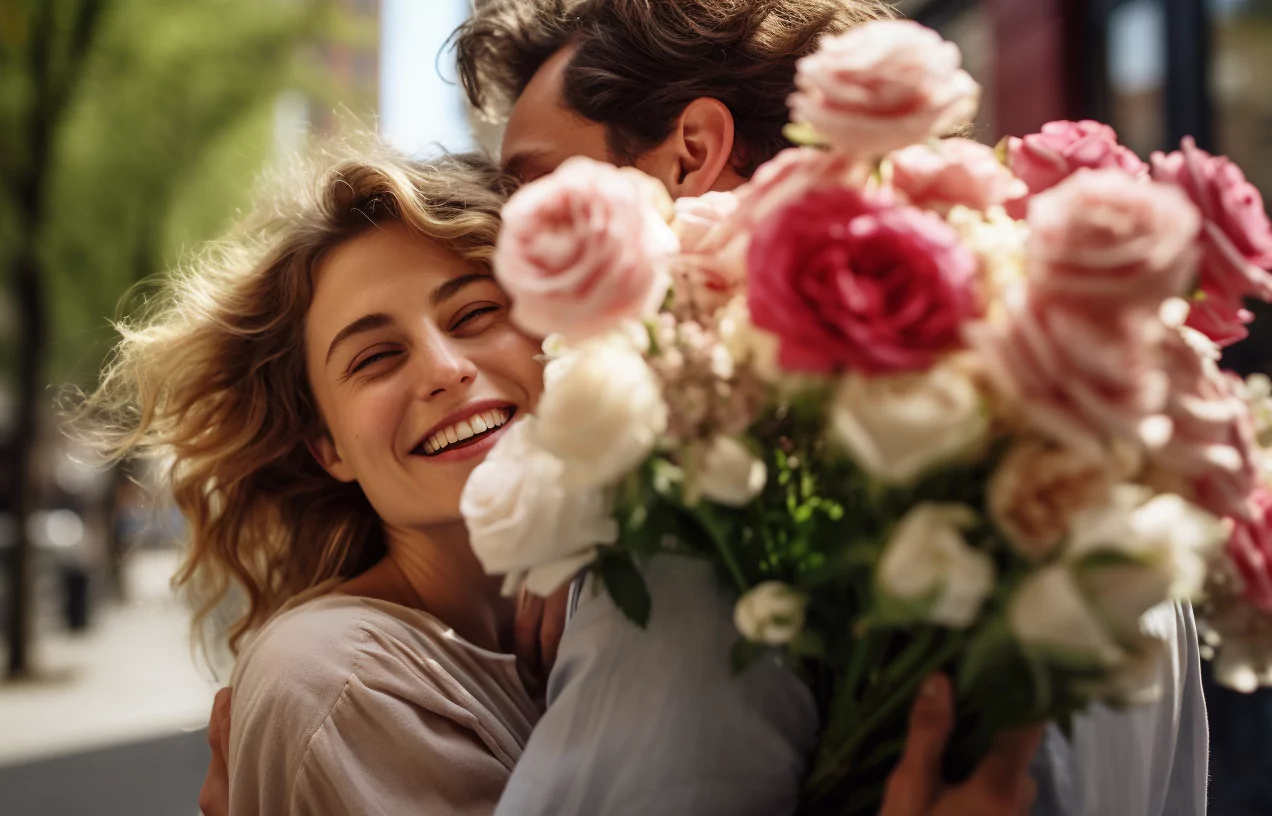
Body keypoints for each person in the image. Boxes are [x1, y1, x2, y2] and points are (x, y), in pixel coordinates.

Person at [451, 1, 1208, 814]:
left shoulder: (702, 502)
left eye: (534, 191)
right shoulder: (1117, 498)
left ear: (690, 155)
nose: (511, 251)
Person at [87, 151, 551, 815]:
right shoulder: (337, 681)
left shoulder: (629, 590)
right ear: (329, 447)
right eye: (376, 357)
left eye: (475, 313)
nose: (445, 370)